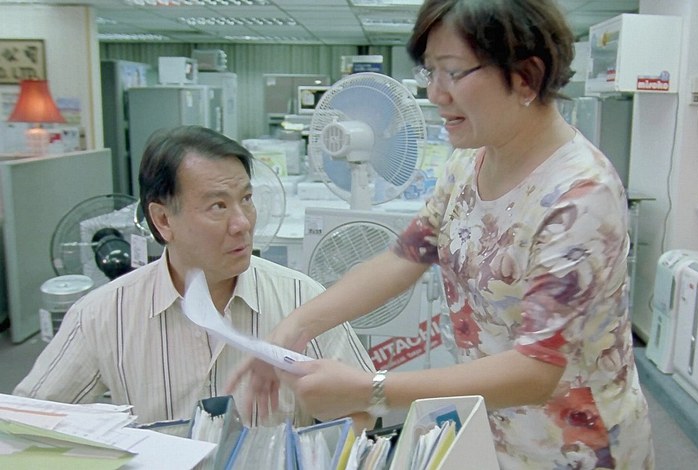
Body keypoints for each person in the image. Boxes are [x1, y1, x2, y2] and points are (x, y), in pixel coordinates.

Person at [230, 0, 654, 467]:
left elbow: (536, 371)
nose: (435, 93)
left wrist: (371, 390)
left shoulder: (579, 196)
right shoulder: (470, 160)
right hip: (492, 425)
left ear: (526, 77)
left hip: (572, 448)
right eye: (430, 72)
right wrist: (294, 327)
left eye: (452, 72)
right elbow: (404, 257)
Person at [14, 125, 375, 427]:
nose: (242, 223)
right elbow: (27, 422)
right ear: (163, 220)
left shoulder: (300, 298)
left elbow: (366, 412)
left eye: (246, 199)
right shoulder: (103, 315)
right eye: (218, 206)